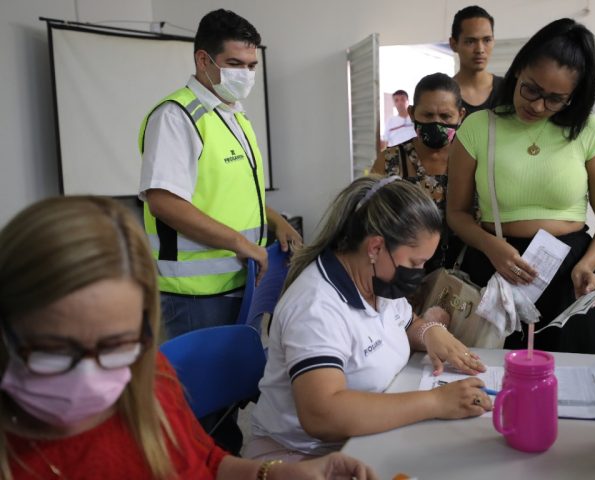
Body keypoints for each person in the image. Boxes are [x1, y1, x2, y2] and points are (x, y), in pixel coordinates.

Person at [0, 196, 377, 480]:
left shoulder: (151, 378)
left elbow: (206, 464)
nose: (88, 376)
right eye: (53, 351)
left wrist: (275, 473)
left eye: (116, 346)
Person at [138, 8, 302, 453]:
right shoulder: (177, 117)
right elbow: (164, 200)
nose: (245, 75)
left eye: (251, 66)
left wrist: (276, 219)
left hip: (238, 281)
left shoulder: (232, 114)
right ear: (203, 61)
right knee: (197, 410)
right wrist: (240, 243)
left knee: (229, 400)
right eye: (234, 65)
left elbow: (231, 193)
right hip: (193, 294)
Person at [246, 176, 492, 460]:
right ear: (375, 248)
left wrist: (430, 331)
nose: (420, 272)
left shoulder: (376, 281)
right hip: (300, 457)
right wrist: (435, 402)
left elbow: (406, 322)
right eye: (415, 263)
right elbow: (322, 414)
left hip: (362, 441)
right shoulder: (316, 307)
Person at [447, 18, 595, 355]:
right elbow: (456, 213)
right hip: (496, 264)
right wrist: (491, 247)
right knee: (492, 377)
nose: (538, 106)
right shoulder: (479, 127)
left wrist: (587, 265)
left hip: (571, 270)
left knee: (576, 378)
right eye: (531, 89)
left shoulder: (589, 131)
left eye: (555, 99)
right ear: (518, 70)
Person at [371, 73, 467, 271]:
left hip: (462, 273)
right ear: (413, 113)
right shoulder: (390, 160)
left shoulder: (472, 160)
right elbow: (368, 218)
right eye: (428, 115)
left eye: (445, 116)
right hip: (401, 272)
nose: (436, 123)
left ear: (461, 115)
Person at [450, 5, 504, 116]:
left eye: (487, 40)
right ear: (454, 44)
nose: (480, 50)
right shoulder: (444, 94)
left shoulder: (508, 90)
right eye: (470, 41)